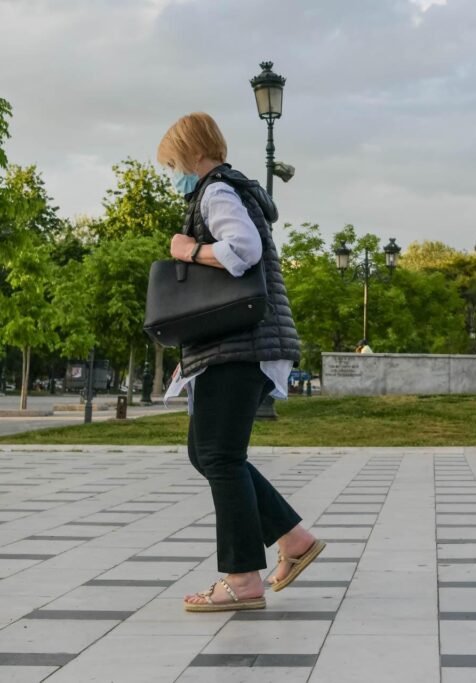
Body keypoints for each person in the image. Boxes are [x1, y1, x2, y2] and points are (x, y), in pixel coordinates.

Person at [157, 112, 323, 612]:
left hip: (240, 347)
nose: (174, 176)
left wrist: (190, 250)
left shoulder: (216, 191)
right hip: (235, 347)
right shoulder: (226, 190)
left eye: (174, 164)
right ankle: (293, 540)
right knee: (207, 453)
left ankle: (242, 578)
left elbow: (243, 251)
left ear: (193, 154)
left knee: (219, 457)